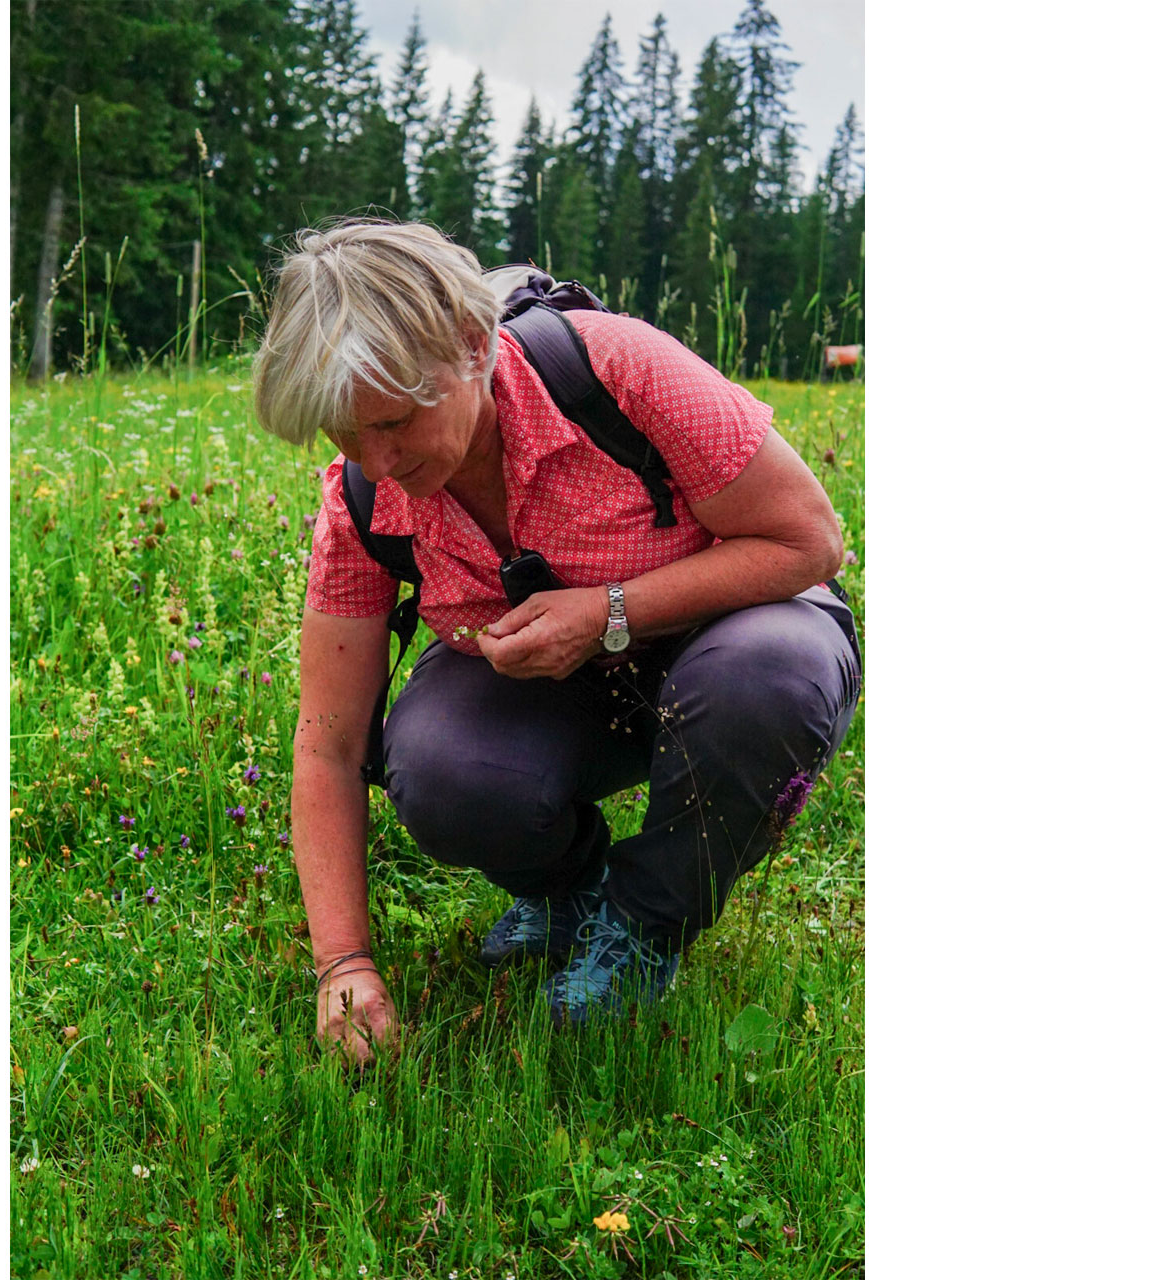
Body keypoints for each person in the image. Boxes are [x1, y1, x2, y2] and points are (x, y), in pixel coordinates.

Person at [251, 219, 860, 1064]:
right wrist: (343, 964)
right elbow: (329, 745)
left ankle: (648, 923)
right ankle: (574, 891)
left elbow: (810, 541)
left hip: (736, 636)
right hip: (564, 690)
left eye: (395, 422)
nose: (378, 460)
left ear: (472, 346)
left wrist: (610, 610)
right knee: (436, 764)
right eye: (347, 436)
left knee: (767, 682)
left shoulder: (617, 369)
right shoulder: (362, 503)